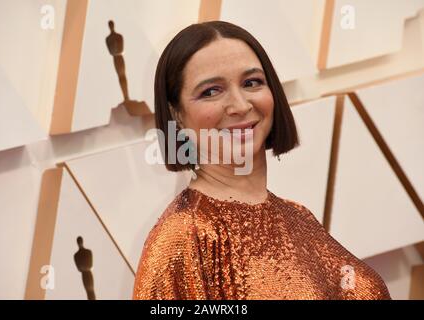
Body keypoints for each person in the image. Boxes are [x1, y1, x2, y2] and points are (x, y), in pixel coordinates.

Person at [133, 21, 391, 300]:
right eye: (211, 91)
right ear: (177, 115)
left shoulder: (297, 216)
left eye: (251, 83)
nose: (241, 105)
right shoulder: (183, 238)